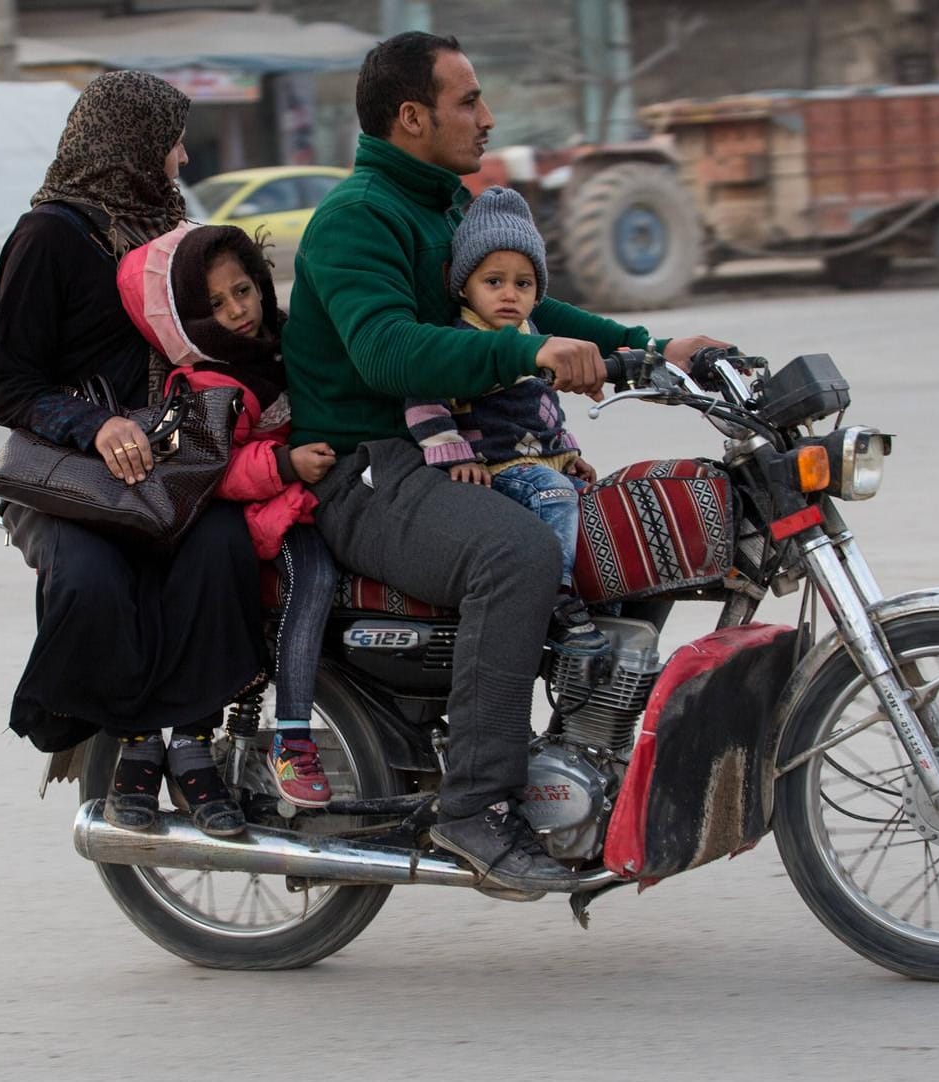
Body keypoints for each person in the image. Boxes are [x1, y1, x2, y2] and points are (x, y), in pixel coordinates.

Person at [283, 32, 730, 892]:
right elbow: (386, 352)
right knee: (514, 552)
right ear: (411, 116)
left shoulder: (443, 206)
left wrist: (653, 346)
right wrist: (525, 360)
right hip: (372, 466)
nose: (488, 119)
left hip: (454, 449)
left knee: (623, 522)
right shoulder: (356, 218)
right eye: (468, 102)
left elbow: (523, 306)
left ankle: (584, 742)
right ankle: (473, 809)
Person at [0, 72, 264, 838]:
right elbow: (8, 383)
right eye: (172, 142)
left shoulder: (172, 233)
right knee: (98, 581)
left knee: (224, 556)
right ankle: (135, 744)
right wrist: (95, 426)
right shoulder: (47, 237)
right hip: (74, 477)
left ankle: (197, 743)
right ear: (129, 143)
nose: (180, 159)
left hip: (174, 472)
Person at [117, 223, 340, 808]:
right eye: (215, 304)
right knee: (312, 582)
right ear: (193, 315)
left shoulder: (285, 342)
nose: (238, 310)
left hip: (307, 499)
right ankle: (294, 736)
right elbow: (213, 466)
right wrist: (285, 465)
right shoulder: (209, 381)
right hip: (272, 515)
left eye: (244, 290)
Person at [406, 186, 609, 657]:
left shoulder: (532, 335)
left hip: (537, 465)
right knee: (553, 496)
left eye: (523, 284)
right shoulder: (457, 340)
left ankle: (601, 604)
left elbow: (542, 409)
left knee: (593, 505)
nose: (508, 295)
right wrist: (454, 454)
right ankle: (553, 601)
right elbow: (422, 397)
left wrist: (568, 453)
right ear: (464, 285)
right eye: (493, 282)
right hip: (496, 466)